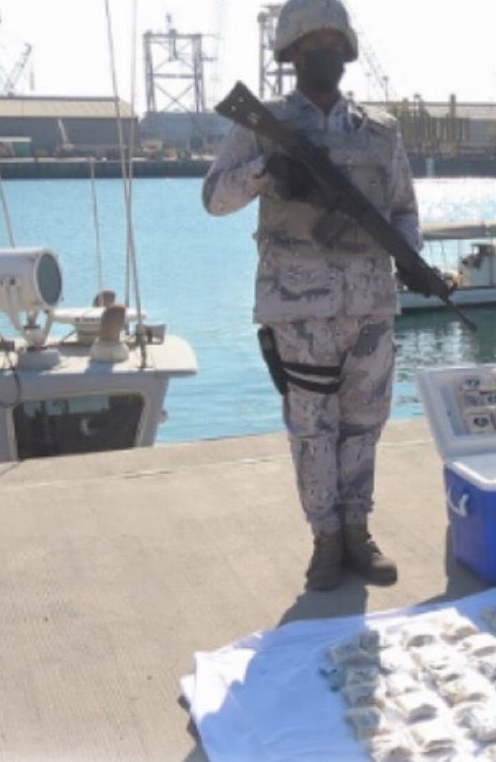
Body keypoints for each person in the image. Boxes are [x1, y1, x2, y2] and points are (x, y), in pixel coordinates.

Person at [202, 0, 419, 590]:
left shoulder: (380, 131)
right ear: (291, 54)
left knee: (365, 424)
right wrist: (266, 171)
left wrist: (411, 259)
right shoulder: (262, 124)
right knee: (312, 430)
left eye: (333, 44)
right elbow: (214, 199)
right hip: (299, 310)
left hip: (370, 307)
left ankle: (358, 532)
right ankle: (325, 540)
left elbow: (403, 209)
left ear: (347, 52)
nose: (324, 54)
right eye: (311, 45)